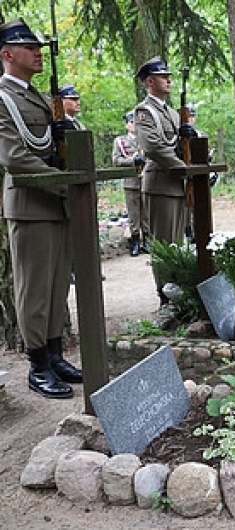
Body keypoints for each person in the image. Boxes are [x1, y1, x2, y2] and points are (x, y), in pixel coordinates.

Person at [0, 18, 82, 399]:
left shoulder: (34, 96)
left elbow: (46, 147)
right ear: (7, 54)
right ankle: (37, 365)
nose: (37, 53)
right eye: (29, 47)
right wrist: (67, 184)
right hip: (31, 203)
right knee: (34, 290)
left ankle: (54, 354)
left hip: (55, 202)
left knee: (54, 287)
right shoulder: (3, 99)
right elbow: (15, 157)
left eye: (38, 48)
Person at [133, 57, 196, 306]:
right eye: (162, 76)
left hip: (178, 186)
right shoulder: (144, 111)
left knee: (177, 244)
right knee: (164, 245)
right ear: (150, 82)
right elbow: (154, 147)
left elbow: (180, 145)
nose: (168, 80)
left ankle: (175, 292)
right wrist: (184, 169)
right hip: (161, 185)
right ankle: (164, 296)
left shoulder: (172, 112)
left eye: (169, 76)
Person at [112, 110, 149, 256]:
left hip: (146, 180)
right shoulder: (120, 141)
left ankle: (147, 240)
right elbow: (116, 160)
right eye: (132, 122)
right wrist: (132, 161)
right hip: (131, 182)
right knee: (134, 214)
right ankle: (135, 241)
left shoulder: (145, 139)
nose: (135, 125)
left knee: (146, 212)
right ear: (127, 124)